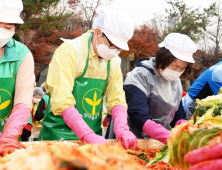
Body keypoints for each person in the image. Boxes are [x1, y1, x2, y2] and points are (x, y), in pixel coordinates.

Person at [39, 11, 137, 149]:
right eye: (112, 45)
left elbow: (117, 98)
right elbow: (61, 99)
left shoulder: (114, 61)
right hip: (59, 136)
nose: (115, 51)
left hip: (94, 135)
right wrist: (86, 134)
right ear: (97, 33)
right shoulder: (69, 52)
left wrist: (122, 128)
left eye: (119, 48)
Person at [121, 33, 197, 144]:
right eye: (175, 66)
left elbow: (177, 113)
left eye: (182, 68)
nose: (177, 72)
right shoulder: (139, 77)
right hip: (134, 139)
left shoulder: (175, 81)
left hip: (160, 140)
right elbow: (139, 117)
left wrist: (184, 128)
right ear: (163, 59)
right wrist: (169, 137)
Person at [0, 0, 35, 155]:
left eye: (7, 28)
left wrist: (8, 136)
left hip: (8, 137)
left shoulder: (22, 55)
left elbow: (23, 100)